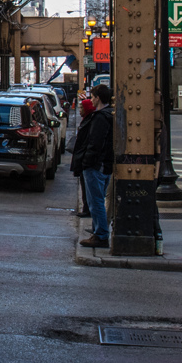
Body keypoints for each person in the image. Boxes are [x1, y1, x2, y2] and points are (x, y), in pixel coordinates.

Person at [77, 84, 115, 248]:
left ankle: (100, 235)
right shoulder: (110, 115)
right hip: (105, 164)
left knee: (96, 201)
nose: (91, 100)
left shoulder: (100, 117)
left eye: (92, 97)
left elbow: (95, 142)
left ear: (98, 97)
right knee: (98, 200)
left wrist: (86, 162)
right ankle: (98, 231)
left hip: (96, 165)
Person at [70, 92, 96, 218]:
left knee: (87, 187)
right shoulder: (88, 121)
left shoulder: (90, 122)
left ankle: (88, 209)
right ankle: (87, 208)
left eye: (81, 108)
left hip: (85, 160)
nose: (79, 110)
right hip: (84, 159)